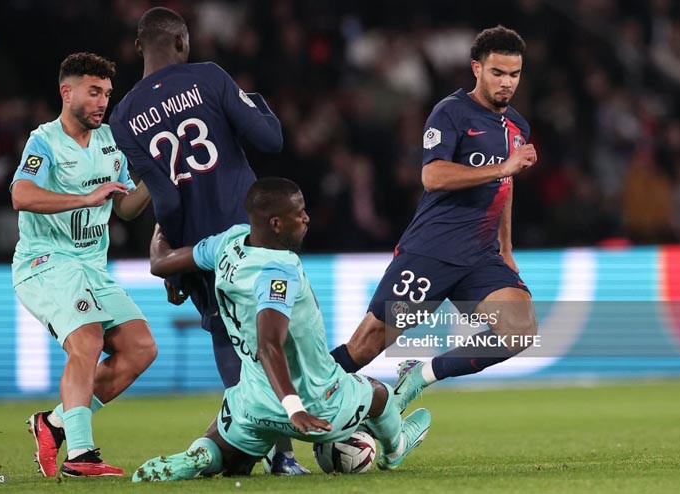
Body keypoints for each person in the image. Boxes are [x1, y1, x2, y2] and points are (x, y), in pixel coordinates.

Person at [108, 7, 306, 474]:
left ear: (139, 47)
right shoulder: (210, 78)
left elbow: (164, 200)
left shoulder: (122, 117)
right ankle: (284, 454)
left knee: (226, 337)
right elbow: (271, 138)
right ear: (182, 41)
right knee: (275, 333)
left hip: (195, 245)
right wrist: (251, 98)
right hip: (252, 235)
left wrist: (174, 259)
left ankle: (250, 447)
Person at [132, 177, 431, 481]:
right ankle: (396, 447)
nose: (306, 218)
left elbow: (161, 262)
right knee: (378, 392)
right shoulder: (278, 272)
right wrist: (294, 409)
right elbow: (269, 345)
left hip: (254, 403)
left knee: (230, 456)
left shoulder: (229, 242)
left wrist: (164, 219)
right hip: (317, 406)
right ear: (276, 223)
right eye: (299, 213)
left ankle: (203, 454)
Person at [328, 26, 539, 411]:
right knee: (366, 345)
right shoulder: (451, 112)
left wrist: (506, 249)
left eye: (514, 74)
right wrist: (501, 167)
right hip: (431, 253)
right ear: (477, 68)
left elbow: (505, 186)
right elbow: (433, 176)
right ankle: (285, 407)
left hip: (479, 258)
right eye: (498, 73)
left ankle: (420, 375)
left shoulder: (517, 126)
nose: (507, 82)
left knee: (518, 331)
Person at [12, 52, 156, 477]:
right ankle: (81, 455)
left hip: (92, 267)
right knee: (88, 341)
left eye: (107, 94)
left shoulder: (111, 141)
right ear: (67, 91)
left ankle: (54, 423)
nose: (102, 102)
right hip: (46, 262)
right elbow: (21, 195)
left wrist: (159, 179)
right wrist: (85, 198)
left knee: (140, 349)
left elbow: (126, 208)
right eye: (94, 92)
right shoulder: (45, 141)